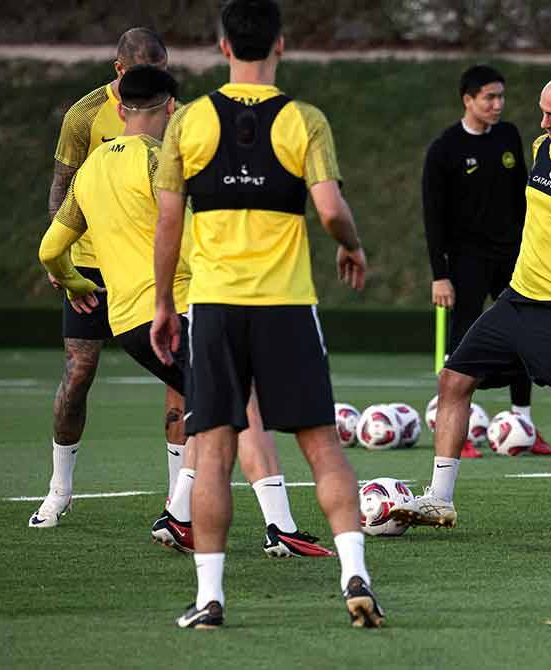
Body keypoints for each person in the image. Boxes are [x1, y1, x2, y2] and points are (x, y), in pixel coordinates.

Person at [37, 64, 333, 560]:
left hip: (127, 322)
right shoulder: (160, 160)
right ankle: (280, 527)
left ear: (120, 107)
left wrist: (73, 280)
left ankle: (178, 515)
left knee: (213, 408)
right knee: (246, 401)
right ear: (171, 107)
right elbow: (191, 234)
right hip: (179, 311)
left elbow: (50, 248)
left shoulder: (88, 172)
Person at [151, 0, 382, 629]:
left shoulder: (189, 122)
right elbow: (331, 209)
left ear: (223, 46)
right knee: (322, 447)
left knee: (214, 451)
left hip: (218, 307)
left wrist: (165, 302)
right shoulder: (303, 119)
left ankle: (210, 597)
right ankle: (353, 572)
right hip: (286, 305)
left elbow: (169, 220)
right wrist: (351, 246)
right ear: (281, 44)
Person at [393, 72, 551, 538]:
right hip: (515, 300)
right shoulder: (541, 147)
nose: (544, 122)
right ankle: (440, 499)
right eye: (542, 111)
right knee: (452, 380)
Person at [29, 28, 179, 528]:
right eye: (148, 74)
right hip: (93, 264)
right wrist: (64, 261)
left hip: (150, 260)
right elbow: (61, 188)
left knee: (179, 376)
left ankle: (178, 499)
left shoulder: (171, 110)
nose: (159, 84)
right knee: (79, 373)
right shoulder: (84, 115)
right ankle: (59, 490)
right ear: (120, 70)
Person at [422, 64, 551, 457]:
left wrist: (534, 249)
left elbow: (524, 198)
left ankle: (524, 425)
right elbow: (433, 216)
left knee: (526, 334)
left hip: (514, 256)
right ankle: (457, 433)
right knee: (462, 343)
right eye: (489, 98)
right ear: (468, 100)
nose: (497, 105)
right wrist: (439, 275)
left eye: (501, 97)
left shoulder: (510, 136)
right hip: (466, 261)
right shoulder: (444, 149)